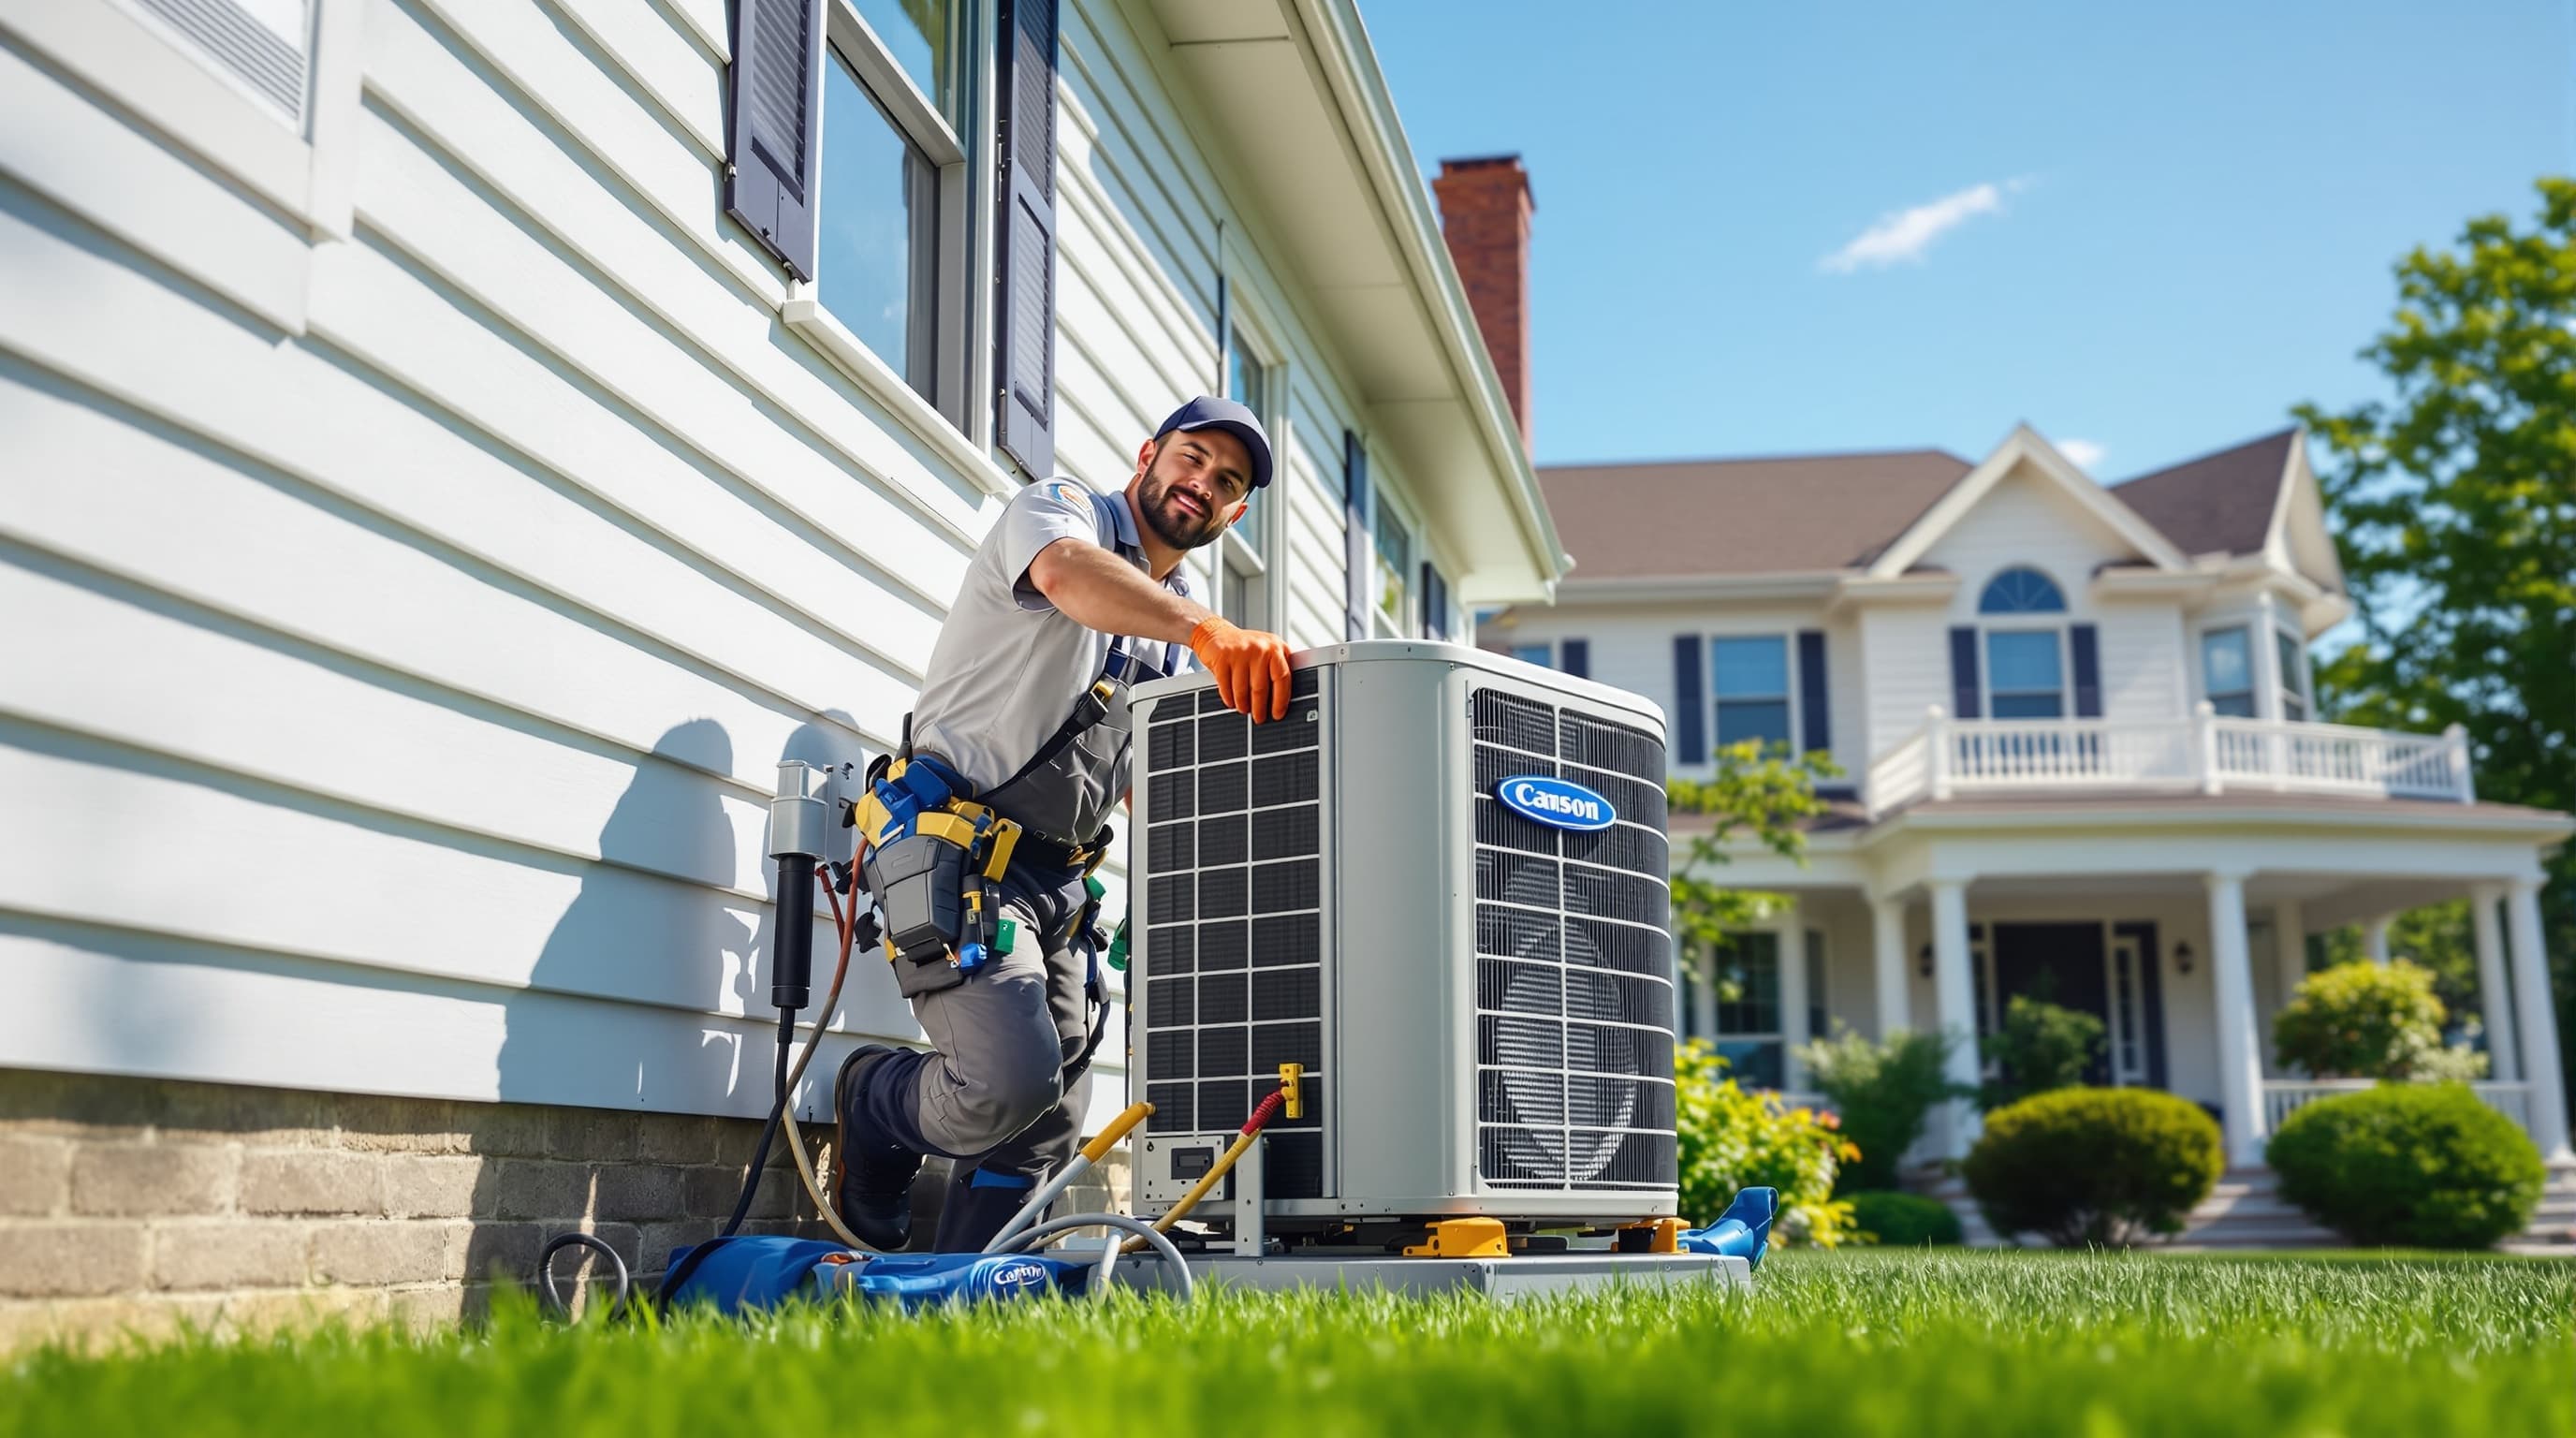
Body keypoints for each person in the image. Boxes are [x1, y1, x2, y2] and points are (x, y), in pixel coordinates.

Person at [832, 395, 1294, 1252]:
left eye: (1228, 482)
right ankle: (872, 1103)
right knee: (1006, 1083)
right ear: (1149, 455)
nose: (1204, 483)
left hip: (1060, 880)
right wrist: (1209, 632)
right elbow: (1067, 577)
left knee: (1050, 1117)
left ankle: (971, 1297)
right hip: (957, 843)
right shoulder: (1061, 512)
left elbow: (1149, 780)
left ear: (1234, 514)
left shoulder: (1175, 616)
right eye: (1192, 458)